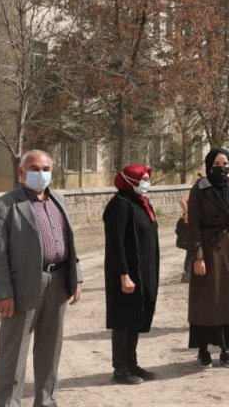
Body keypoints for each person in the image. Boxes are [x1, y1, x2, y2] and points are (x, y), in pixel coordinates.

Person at [0, 149, 83, 407]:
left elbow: (69, 241)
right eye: (35, 169)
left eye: (46, 169)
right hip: (23, 287)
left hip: (59, 281)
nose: (41, 174)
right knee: (13, 353)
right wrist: (3, 293)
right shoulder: (3, 206)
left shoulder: (58, 200)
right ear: (21, 172)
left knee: (50, 351)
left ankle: (47, 401)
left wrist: (77, 278)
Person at [186, 148, 229, 368]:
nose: (222, 167)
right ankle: (203, 349)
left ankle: (227, 348)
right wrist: (197, 257)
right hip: (208, 250)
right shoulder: (199, 189)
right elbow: (194, 225)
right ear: (209, 165)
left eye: (226, 163)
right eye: (217, 163)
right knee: (207, 301)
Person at [103, 164, 160, 385]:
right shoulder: (119, 205)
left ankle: (132, 363)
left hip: (143, 271)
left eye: (147, 178)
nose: (146, 182)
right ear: (130, 180)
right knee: (123, 319)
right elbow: (115, 244)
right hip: (125, 272)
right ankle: (120, 368)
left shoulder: (140, 202)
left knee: (135, 317)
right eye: (142, 178)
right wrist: (124, 274)